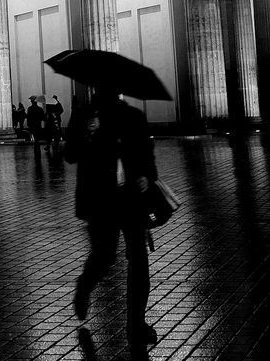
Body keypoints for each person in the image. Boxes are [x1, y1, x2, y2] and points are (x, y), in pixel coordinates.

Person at [64, 85, 159, 361]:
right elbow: (70, 154)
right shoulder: (84, 115)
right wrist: (87, 134)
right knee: (104, 256)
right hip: (100, 198)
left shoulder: (132, 116)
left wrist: (145, 176)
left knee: (139, 261)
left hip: (130, 195)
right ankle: (85, 285)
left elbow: (147, 153)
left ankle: (136, 324)